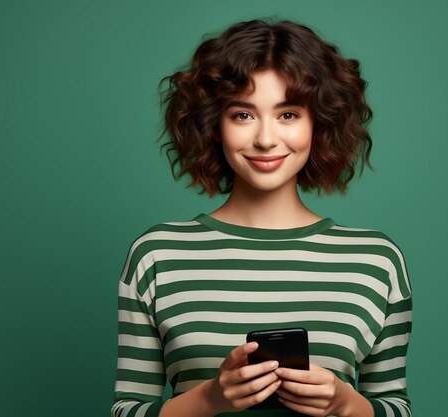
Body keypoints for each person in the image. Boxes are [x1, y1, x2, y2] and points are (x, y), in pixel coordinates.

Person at [111, 19, 412, 417]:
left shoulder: (376, 261)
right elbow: (126, 410)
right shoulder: (156, 256)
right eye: (243, 115)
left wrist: (345, 403)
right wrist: (210, 399)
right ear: (215, 125)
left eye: (288, 114)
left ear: (317, 124)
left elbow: (396, 407)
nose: (266, 139)